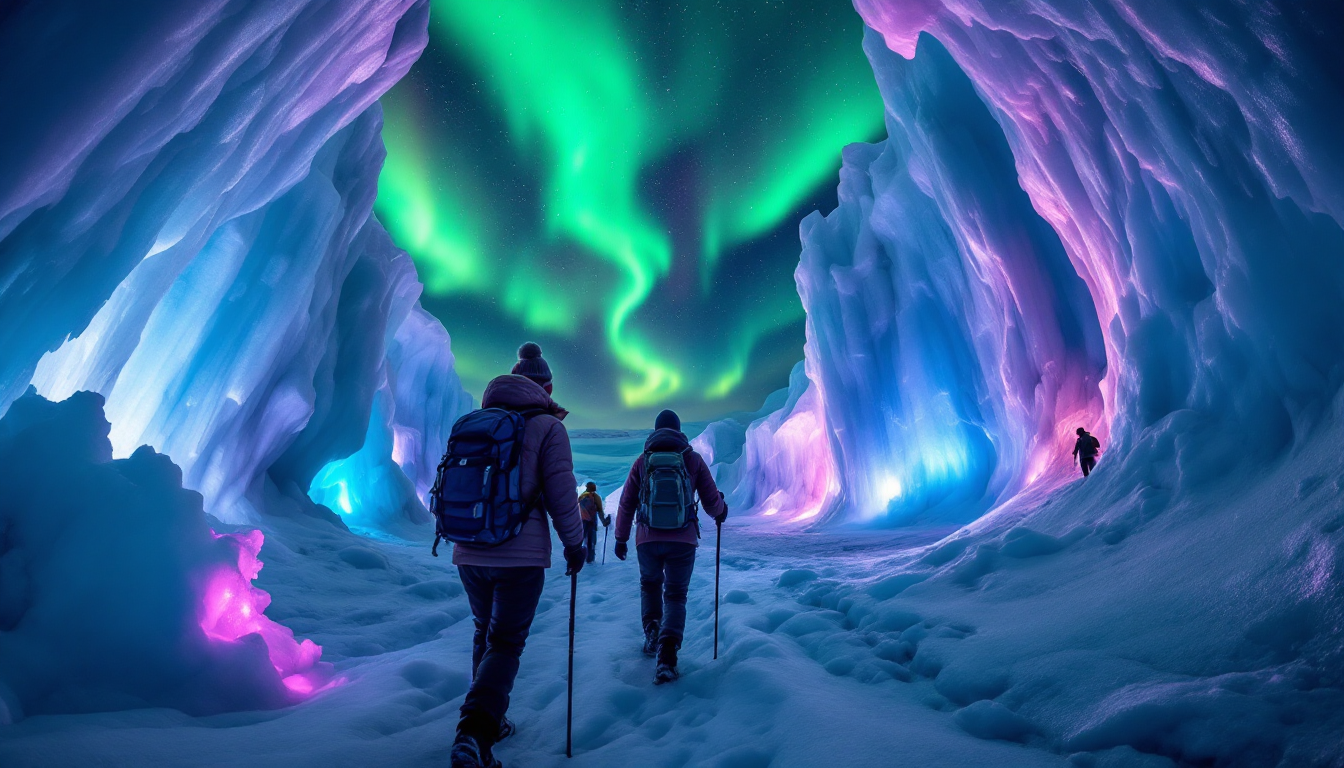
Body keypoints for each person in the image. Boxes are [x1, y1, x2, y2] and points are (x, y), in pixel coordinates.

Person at [450, 342, 587, 768]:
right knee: (505, 642)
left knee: (483, 633)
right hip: (520, 556)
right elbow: (562, 494)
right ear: (546, 386)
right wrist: (574, 543)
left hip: (469, 550)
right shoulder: (548, 427)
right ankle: (476, 731)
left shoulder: (473, 421)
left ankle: (492, 717)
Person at [613, 409, 727, 684]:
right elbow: (711, 500)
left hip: (647, 538)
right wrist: (721, 512)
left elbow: (627, 502)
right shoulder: (693, 459)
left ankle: (652, 631)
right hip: (683, 539)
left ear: (656, 430)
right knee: (676, 596)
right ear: (678, 430)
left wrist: (620, 538)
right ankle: (667, 655)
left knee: (650, 585)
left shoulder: (643, 461)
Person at [577, 481, 610, 563]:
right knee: (591, 543)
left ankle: (580, 560)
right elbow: (600, 511)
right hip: (591, 523)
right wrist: (605, 522)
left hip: (582, 523)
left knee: (582, 541)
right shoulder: (595, 497)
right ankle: (590, 562)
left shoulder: (581, 497)